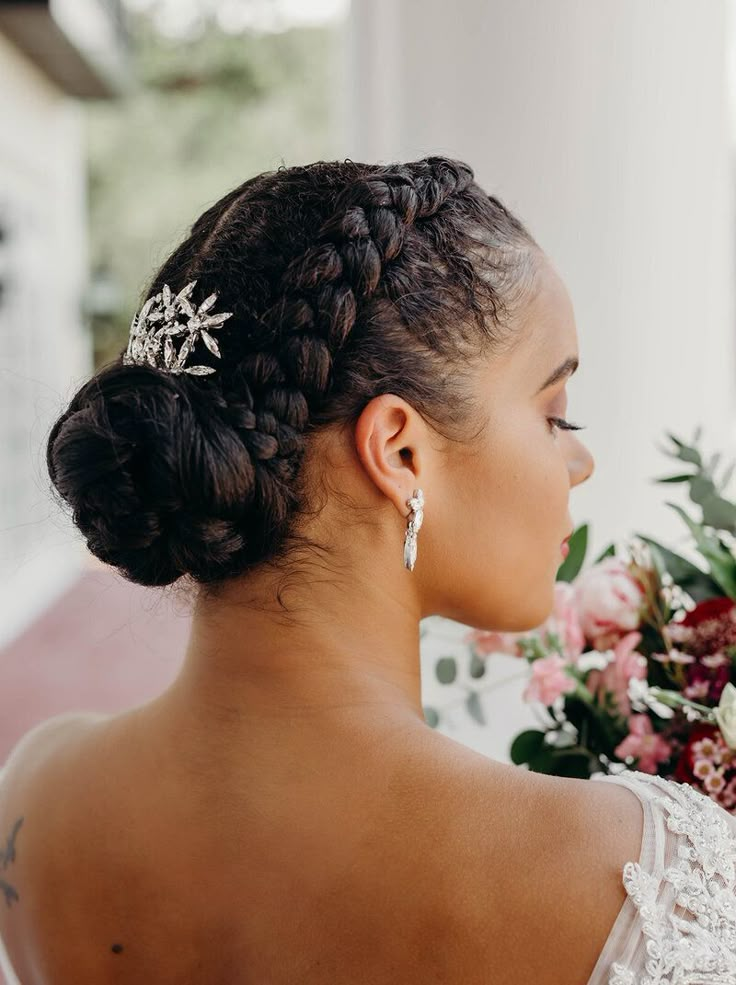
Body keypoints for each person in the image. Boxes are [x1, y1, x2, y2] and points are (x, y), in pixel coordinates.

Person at [0, 156, 733, 984]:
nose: (581, 460)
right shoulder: (639, 877)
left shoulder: (34, 794)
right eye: (556, 414)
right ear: (399, 449)